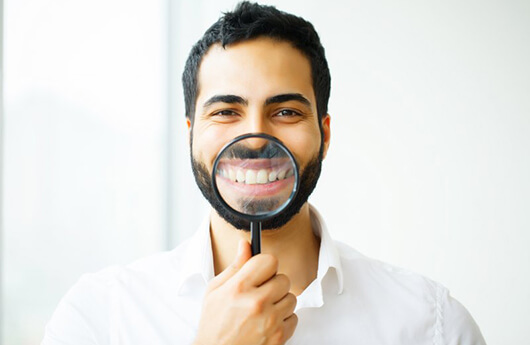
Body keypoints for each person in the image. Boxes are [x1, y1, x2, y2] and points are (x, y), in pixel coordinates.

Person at [42, 2, 486, 344]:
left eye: (286, 111)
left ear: (324, 135)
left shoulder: (432, 325)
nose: (255, 137)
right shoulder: (100, 316)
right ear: (191, 135)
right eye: (226, 111)